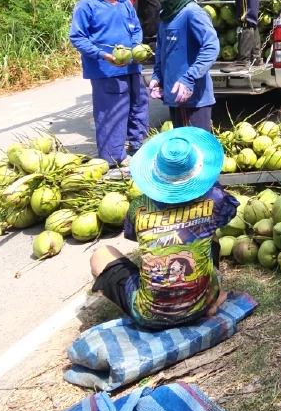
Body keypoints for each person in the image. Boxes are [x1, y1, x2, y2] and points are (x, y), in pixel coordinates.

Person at [89, 128, 239, 329]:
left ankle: (141, 306)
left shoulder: (138, 206)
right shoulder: (215, 199)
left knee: (100, 255)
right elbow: (226, 217)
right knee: (211, 236)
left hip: (150, 317)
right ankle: (211, 300)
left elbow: (136, 237)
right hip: (202, 304)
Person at [69, 0, 149, 165]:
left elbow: (136, 28)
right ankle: (112, 157)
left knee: (138, 104)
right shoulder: (87, 5)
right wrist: (103, 55)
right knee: (111, 113)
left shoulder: (124, 2)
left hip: (132, 66)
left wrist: (136, 48)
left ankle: (137, 144)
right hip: (106, 70)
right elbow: (77, 37)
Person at [148, 0, 221, 130]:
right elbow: (162, 50)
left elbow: (211, 46)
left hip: (194, 99)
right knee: (182, 149)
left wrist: (190, 78)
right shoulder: (165, 15)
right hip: (174, 97)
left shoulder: (192, 13)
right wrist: (157, 75)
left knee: (197, 150)